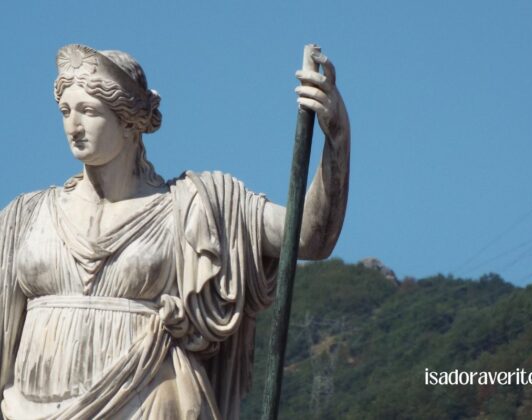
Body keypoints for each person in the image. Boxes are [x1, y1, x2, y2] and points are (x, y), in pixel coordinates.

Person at [0, 44, 349, 419]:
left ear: (129, 122)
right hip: (27, 409)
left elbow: (308, 237)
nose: (73, 126)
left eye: (89, 111)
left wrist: (337, 138)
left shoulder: (194, 207)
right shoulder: (26, 216)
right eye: (66, 111)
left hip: (152, 403)